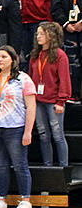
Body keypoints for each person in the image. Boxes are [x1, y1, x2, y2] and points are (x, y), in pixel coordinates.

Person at [0, 46, 36, 208]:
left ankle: (26, 201)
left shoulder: (23, 79)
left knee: (20, 165)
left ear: (13, 59)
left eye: (4, 56)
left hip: (15, 127)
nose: (0, 60)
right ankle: (1, 200)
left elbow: (31, 106)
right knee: (0, 166)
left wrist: (28, 131)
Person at [29, 22, 71, 168]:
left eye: (42, 33)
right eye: (37, 34)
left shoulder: (60, 55)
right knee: (43, 135)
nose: (38, 36)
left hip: (54, 101)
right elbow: (31, 77)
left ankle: (63, 167)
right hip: (38, 101)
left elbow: (64, 80)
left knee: (58, 135)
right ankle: (48, 166)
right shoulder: (35, 55)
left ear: (50, 36)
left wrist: (61, 101)